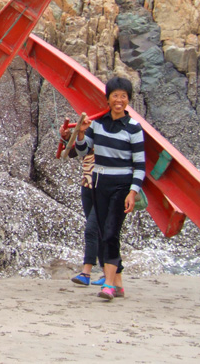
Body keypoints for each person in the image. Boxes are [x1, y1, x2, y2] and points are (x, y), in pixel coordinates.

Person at [75, 76, 145, 301]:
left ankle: (108, 284)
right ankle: (118, 284)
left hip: (122, 186)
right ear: (108, 99)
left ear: (128, 100)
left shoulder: (134, 128)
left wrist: (132, 193)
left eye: (124, 96)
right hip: (100, 183)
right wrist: (81, 133)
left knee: (112, 233)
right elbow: (83, 151)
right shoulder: (98, 123)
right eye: (115, 95)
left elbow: (140, 165)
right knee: (105, 232)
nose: (119, 100)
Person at [58, 126, 104, 287]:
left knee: (91, 229)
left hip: (105, 187)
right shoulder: (90, 129)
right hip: (87, 184)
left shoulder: (110, 130)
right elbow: (72, 152)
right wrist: (67, 137)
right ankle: (109, 270)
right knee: (99, 231)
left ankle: (86, 272)